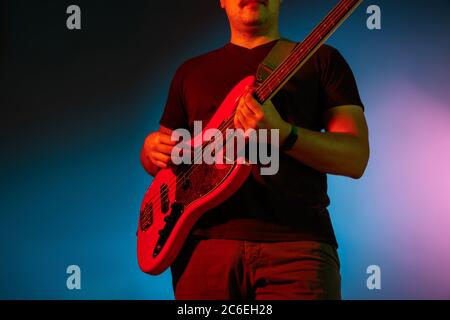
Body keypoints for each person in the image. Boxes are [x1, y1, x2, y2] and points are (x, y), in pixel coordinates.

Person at [140, 0, 369, 300]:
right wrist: (149, 151)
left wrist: (283, 134)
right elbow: (164, 162)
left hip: (297, 251)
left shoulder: (321, 59)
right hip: (203, 252)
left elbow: (355, 157)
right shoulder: (190, 72)